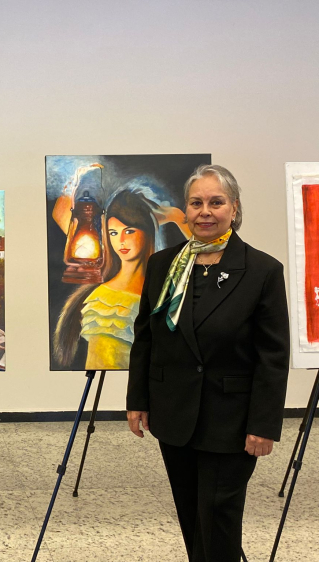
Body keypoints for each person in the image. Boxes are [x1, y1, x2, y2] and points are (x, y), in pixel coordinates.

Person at [126, 164, 290, 562]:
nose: (205, 211)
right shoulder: (163, 265)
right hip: (174, 413)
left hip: (231, 420)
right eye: (196, 202)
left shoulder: (262, 271)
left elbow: (273, 355)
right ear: (185, 210)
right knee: (192, 516)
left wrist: (264, 424)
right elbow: (146, 336)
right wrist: (138, 399)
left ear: (234, 208)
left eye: (216, 202)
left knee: (218, 517)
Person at [53, 189, 188, 369]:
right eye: (113, 233)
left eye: (129, 231)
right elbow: (60, 211)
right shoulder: (103, 299)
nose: (121, 240)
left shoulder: (165, 288)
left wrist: (175, 216)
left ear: (147, 232)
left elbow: (210, 255)